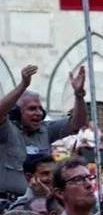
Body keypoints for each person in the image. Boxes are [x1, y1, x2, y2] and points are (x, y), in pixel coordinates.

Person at [0, 65, 88, 203]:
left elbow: (77, 124)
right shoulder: (6, 129)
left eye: (40, 109)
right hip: (8, 203)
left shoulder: (46, 130)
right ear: (17, 112)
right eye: (32, 109)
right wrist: (23, 85)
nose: (39, 113)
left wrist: (79, 95)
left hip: (40, 202)